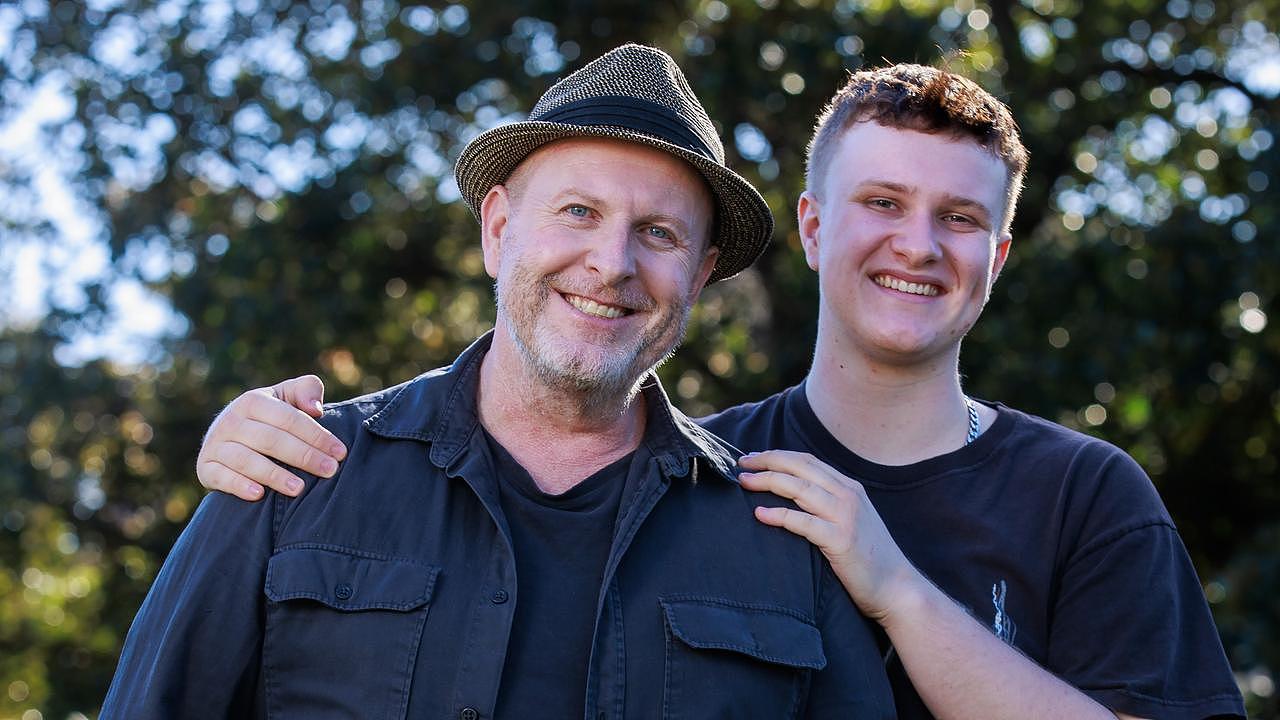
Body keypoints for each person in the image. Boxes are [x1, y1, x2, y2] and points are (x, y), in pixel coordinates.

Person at [193, 64, 1246, 720]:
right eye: (880, 200)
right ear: (814, 225)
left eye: (959, 220)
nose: (915, 245)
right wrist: (273, 446)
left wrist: (897, 592)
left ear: (999, 252)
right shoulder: (696, 482)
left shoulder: (1086, 496)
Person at [101, 44, 896, 719]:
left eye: (658, 233)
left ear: (700, 275)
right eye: (578, 212)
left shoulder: (783, 542)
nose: (613, 263)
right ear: (497, 229)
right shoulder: (294, 470)